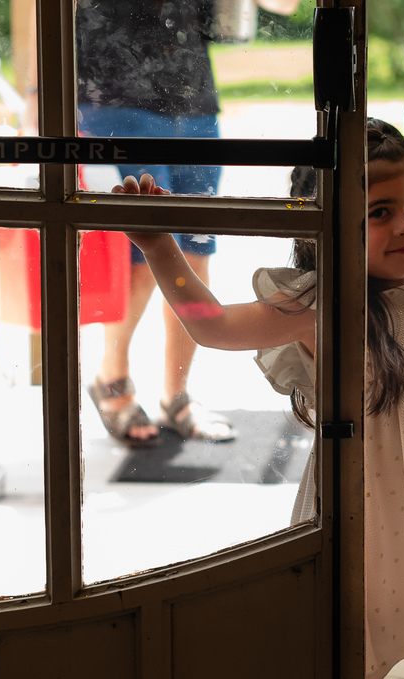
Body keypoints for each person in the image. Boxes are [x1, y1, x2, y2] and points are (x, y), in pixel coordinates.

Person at [113, 116, 404, 679]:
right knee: (350, 669)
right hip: (364, 515)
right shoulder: (324, 306)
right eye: (378, 213)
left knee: (402, 632)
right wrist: (159, 246)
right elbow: (210, 325)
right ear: (327, 228)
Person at [75, 0, 299, 447]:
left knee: (196, 253)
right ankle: (112, 378)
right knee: (140, 258)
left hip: (193, 105)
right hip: (114, 100)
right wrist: (34, 99)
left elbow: (286, 4)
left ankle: (175, 396)